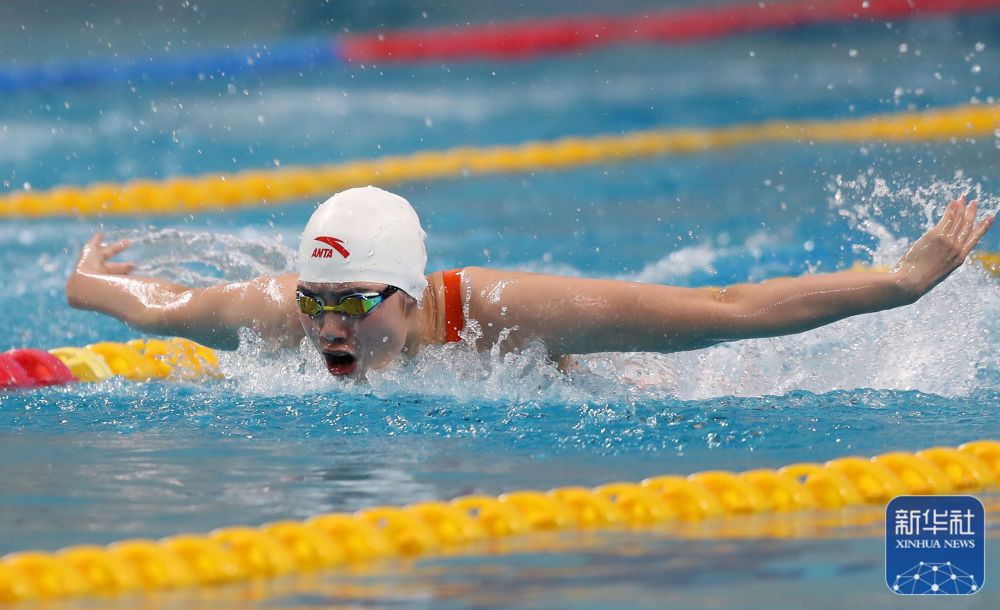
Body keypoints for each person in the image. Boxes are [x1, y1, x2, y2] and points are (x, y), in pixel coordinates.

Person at [66, 186, 994, 379]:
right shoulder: (282, 314)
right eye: (318, 303)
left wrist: (901, 285)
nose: (329, 332)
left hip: (632, 387)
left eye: (354, 305)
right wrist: (90, 283)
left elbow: (723, 311)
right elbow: (161, 306)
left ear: (412, 293)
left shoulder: (499, 315)